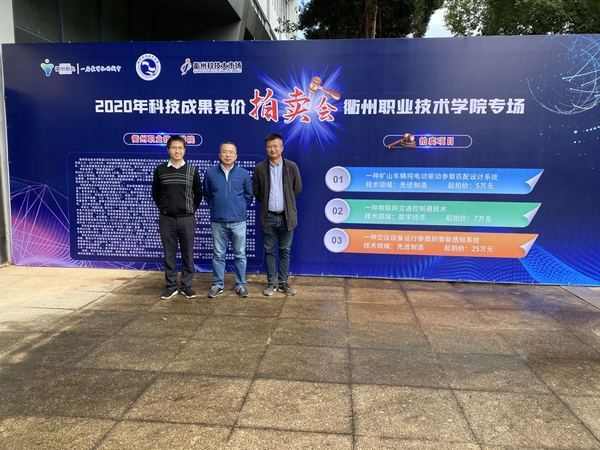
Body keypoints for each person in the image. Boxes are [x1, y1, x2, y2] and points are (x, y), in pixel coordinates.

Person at [152, 135, 202, 299]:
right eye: (174, 148)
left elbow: (198, 194)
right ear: (168, 150)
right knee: (169, 254)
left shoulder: (192, 170)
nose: (177, 151)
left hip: (187, 219)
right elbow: (155, 194)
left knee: (188, 253)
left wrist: (190, 209)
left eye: (180, 148)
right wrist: (165, 208)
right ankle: (171, 286)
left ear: (184, 150)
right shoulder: (160, 170)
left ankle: (187, 286)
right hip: (166, 219)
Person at [252, 133, 302, 296]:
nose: (272, 149)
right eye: (269, 147)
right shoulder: (260, 168)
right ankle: (271, 283)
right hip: (268, 216)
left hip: (286, 216)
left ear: (282, 148)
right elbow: (257, 191)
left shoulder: (291, 166)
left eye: (275, 146)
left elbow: (297, 189)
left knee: (284, 250)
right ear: (266, 149)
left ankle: (283, 282)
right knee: (269, 251)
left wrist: (285, 202)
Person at [203, 142, 254, 298]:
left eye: (231, 152)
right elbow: (207, 194)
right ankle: (217, 284)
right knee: (218, 254)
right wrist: (216, 207)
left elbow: (249, 195)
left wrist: (239, 208)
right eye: (224, 152)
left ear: (236, 156)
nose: (228, 155)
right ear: (220, 155)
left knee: (240, 254)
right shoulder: (210, 173)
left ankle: (240, 284)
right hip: (218, 221)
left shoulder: (243, 174)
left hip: (238, 221)